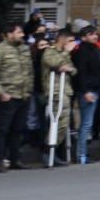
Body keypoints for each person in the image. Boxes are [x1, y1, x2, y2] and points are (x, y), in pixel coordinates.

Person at [0, 23, 32, 172]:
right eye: (18, 32)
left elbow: (29, 72)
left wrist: (28, 91)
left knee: (18, 130)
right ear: (8, 34)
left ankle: (15, 159)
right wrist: (0, 92)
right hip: (6, 97)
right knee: (1, 130)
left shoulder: (24, 49)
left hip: (23, 96)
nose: (22, 35)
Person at [40, 32, 76, 166]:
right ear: (62, 39)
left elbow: (72, 69)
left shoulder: (64, 54)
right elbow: (54, 63)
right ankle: (47, 151)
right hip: (54, 91)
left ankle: (52, 152)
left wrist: (67, 67)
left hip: (65, 90)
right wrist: (66, 53)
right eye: (69, 40)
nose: (71, 43)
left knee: (64, 123)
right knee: (59, 122)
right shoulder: (49, 52)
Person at [72, 25, 100, 164]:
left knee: (87, 124)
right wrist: (85, 92)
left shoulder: (95, 49)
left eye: (95, 34)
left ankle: (82, 153)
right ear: (84, 37)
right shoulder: (82, 51)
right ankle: (81, 155)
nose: (95, 36)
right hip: (88, 91)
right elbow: (81, 73)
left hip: (95, 90)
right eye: (91, 34)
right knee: (86, 124)